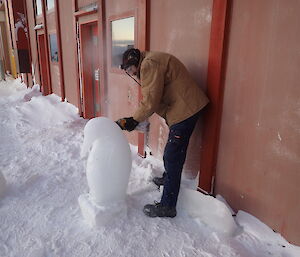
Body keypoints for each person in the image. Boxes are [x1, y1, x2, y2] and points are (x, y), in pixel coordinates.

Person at [116, 48, 209, 218]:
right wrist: (136, 119)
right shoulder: (148, 62)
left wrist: (134, 119)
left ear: (135, 61)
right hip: (182, 109)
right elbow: (152, 98)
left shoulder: (148, 65)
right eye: (128, 71)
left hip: (185, 110)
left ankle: (168, 206)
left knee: (172, 155)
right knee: (173, 152)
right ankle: (168, 180)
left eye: (130, 69)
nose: (131, 73)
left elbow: (150, 100)